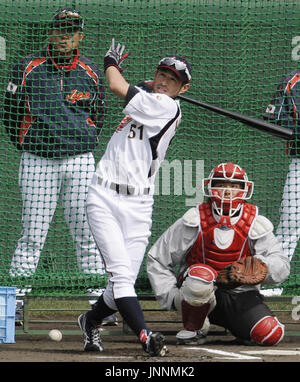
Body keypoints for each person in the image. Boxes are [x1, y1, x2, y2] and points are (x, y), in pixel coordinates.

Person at [77, 38, 191, 356]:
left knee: (118, 286)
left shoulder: (166, 106)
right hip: (103, 196)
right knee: (121, 276)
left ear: (183, 89)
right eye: (162, 74)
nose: (165, 81)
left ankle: (90, 321)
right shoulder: (150, 96)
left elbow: (116, 85)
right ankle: (146, 337)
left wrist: (110, 61)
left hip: (139, 205)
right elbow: (135, 89)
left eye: (174, 79)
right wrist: (145, 86)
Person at [2, 8, 111, 316]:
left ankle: (99, 306)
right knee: (32, 235)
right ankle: (14, 306)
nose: (64, 36)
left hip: (79, 162)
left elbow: (99, 115)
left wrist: (82, 138)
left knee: (88, 234)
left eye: (71, 31)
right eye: (60, 29)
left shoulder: (89, 71)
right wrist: (26, 143)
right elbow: (9, 111)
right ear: (50, 32)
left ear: (80, 36)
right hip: (38, 162)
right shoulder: (28, 67)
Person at [147, 162, 290, 346]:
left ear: (244, 189)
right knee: (201, 277)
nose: (227, 191)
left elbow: (282, 265)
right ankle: (194, 328)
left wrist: (263, 267)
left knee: (270, 333)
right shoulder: (195, 219)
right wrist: (173, 298)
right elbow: (157, 258)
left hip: (239, 294)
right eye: (221, 184)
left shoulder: (255, 222)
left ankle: (236, 323)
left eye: (234, 186)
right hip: (198, 294)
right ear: (211, 186)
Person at [264, 70, 300, 281]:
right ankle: (273, 281)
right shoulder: (292, 82)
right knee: (290, 222)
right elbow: (273, 118)